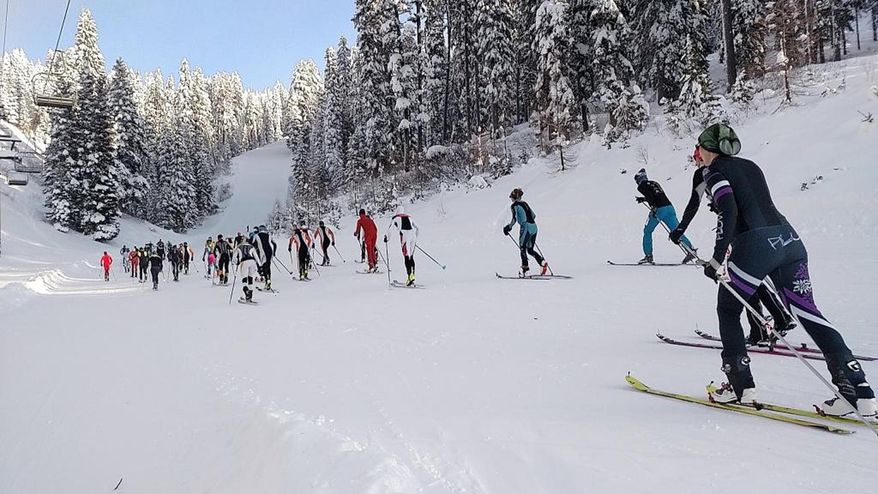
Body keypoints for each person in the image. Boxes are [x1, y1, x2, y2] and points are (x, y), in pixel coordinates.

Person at [691, 123, 875, 417]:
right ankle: (858, 389)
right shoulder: (750, 165)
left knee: (728, 309)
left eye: (698, 148)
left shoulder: (712, 172)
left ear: (706, 148)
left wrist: (715, 259)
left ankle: (741, 386)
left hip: (755, 244)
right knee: (810, 313)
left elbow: (729, 210)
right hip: (790, 240)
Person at [672, 146, 796, 346]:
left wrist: (680, 230)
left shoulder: (704, 173)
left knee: (739, 283)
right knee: (752, 278)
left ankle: (760, 330)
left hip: (738, 233)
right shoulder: (735, 167)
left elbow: (693, 204)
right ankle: (779, 316)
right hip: (759, 228)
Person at [634, 168, 696, 265]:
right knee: (677, 230)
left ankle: (648, 256)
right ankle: (691, 250)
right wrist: (644, 199)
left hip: (659, 210)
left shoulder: (642, 185)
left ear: (639, 179)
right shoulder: (654, 183)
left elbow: (651, 196)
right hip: (669, 208)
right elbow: (656, 195)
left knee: (647, 231)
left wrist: (653, 207)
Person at [502, 188, 549, 277]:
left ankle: (525, 270)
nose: (511, 199)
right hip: (534, 227)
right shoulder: (525, 203)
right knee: (530, 250)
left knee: (523, 248)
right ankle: (542, 262)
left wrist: (508, 227)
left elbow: (514, 218)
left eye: (511, 197)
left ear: (515, 197)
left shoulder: (514, 206)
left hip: (526, 228)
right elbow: (533, 215)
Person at [384, 207, 420, 286]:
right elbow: (418, 228)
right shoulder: (409, 217)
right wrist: (415, 237)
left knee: (406, 257)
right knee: (411, 257)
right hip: (413, 237)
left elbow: (390, 229)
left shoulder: (396, 218)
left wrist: (387, 238)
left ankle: (409, 276)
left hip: (405, 238)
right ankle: (412, 275)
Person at [233, 235, 264, 303]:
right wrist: (260, 266)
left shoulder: (239, 247)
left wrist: (237, 262)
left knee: (244, 279)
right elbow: (256, 257)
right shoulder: (251, 246)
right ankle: (249, 297)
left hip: (244, 262)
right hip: (252, 262)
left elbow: (233, 259)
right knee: (250, 279)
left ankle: (246, 291)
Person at [252, 225, 277, 290]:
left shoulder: (256, 236)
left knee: (264, 266)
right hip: (270, 251)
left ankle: (267, 281)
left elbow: (252, 244)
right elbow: (274, 244)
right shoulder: (268, 235)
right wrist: (274, 253)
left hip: (263, 252)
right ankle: (268, 281)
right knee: (268, 266)